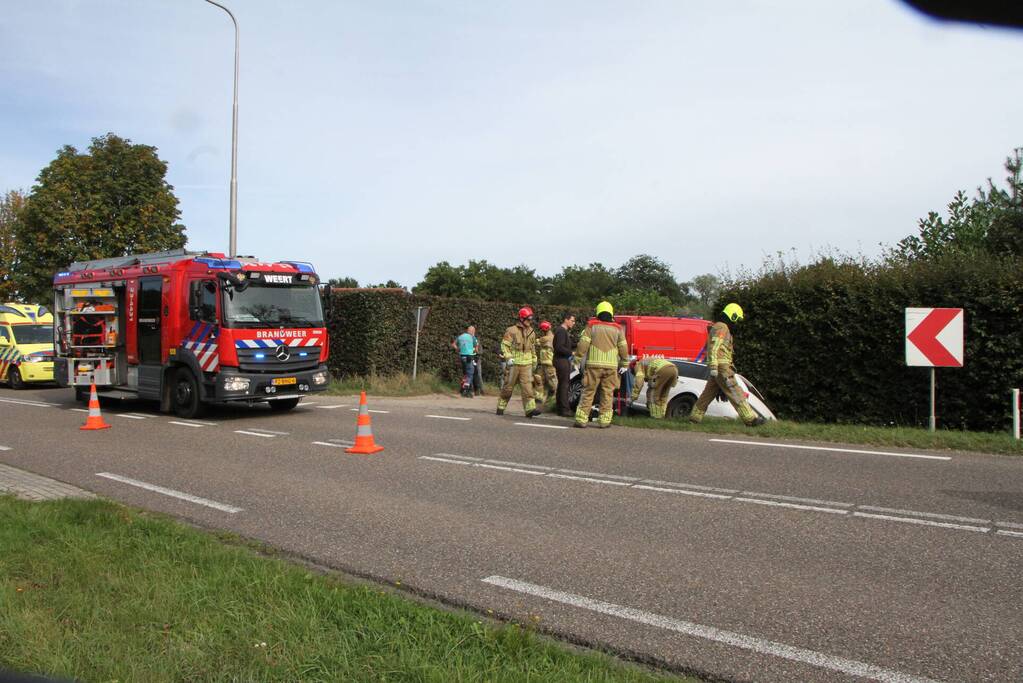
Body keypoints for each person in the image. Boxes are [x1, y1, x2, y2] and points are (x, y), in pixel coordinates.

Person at [690, 303, 766, 427]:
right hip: (722, 367)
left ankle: (694, 417)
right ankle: (750, 419)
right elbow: (714, 346)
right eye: (737, 319)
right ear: (733, 315)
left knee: (708, 393)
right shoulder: (722, 327)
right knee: (735, 390)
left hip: (719, 367)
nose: (737, 323)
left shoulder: (718, 326)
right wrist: (714, 366)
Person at [572, 301, 628, 429]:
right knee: (608, 393)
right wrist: (625, 363)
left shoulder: (591, 326)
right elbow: (623, 347)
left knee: (588, 392)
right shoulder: (618, 328)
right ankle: (604, 422)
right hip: (611, 367)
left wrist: (576, 360)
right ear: (611, 313)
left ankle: (581, 420)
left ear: (598, 312)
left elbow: (583, 345)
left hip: (593, 365)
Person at [497, 307, 541, 417]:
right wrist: (508, 357)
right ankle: (500, 408)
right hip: (514, 365)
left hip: (526, 364)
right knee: (508, 388)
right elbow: (504, 345)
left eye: (531, 319)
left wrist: (534, 359)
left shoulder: (532, 332)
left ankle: (530, 410)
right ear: (521, 318)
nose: (530, 321)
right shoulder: (511, 330)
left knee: (528, 388)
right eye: (528, 319)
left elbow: (532, 348)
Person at [553, 313, 576, 416]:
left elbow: (568, 345)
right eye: (572, 320)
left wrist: (579, 344)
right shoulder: (561, 331)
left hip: (561, 360)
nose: (573, 323)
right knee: (564, 385)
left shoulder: (563, 331)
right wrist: (571, 353)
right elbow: (559, 347)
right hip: (561, 360)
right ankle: (565, 410)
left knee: (562, 384)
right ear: (566, 320)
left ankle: (559, 408)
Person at [533, 321, 558, 405]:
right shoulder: (553, 338)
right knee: (539, 379)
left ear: (544, 330)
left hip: (549, 365)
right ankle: (539, 398)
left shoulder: (546, 338)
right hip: (544, 364)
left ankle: (554, 400)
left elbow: (535, 341)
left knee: (552, 383)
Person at [451, 325, 479, 398]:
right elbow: (476, 349)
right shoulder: (472, 337)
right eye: (474, 331)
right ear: (472, 331)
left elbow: (453, 344)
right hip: (469, 356)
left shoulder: (460, 336)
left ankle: (465, 390)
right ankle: (465, 389)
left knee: (465, 373)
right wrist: (473, 350)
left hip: (462, 357)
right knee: (470, 373)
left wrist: (458, 349)